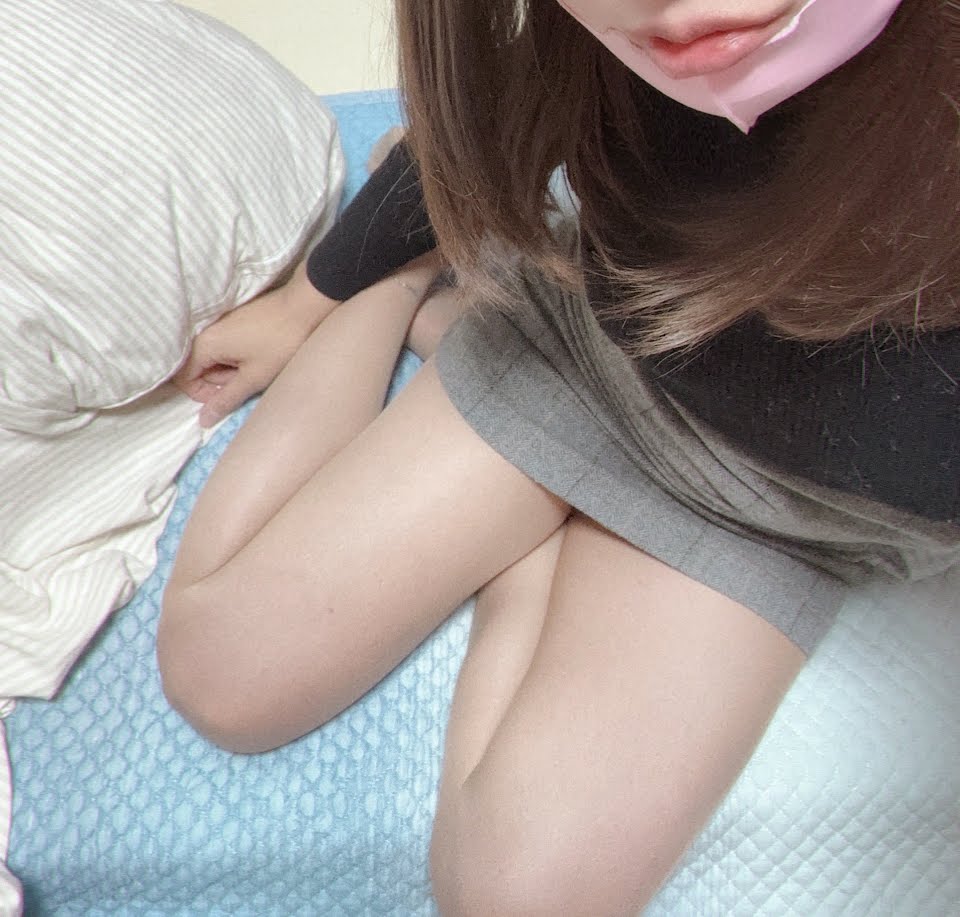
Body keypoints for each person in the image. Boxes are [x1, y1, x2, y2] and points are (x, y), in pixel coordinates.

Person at [159, 0, 960, 913]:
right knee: (223, 673)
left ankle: (504, 429)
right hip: (593, 352)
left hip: (785, 507)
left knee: (512, 899)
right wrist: (311, 303)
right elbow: (499, 104)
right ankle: (416, 283)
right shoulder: (611, 36)